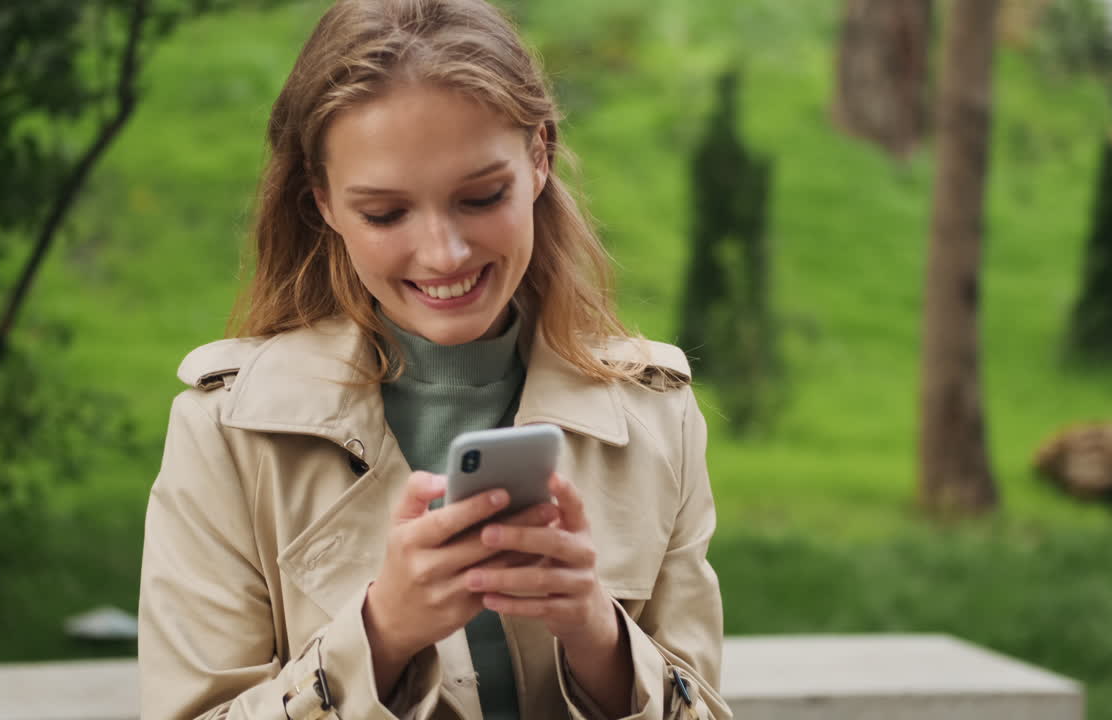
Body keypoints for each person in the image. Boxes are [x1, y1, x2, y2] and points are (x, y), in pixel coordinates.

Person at [137, 0, 730, 718]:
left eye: (481, 197)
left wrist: (597, 635)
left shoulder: (657, 419)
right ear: (322, 201)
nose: (444, 254)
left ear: (538, 157)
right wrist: (381, 636)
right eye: (385, 214)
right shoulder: (227, 434)